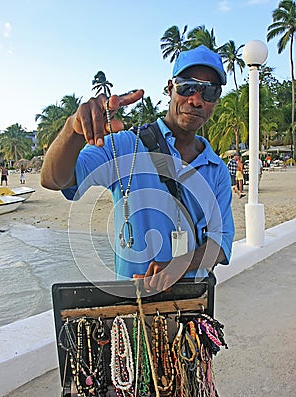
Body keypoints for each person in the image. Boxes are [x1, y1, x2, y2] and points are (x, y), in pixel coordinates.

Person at [41, 45, 234, 292]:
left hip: (192, 301)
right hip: (132, 301)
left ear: (216, 100)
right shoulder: (125, 146)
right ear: (170, 88)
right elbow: (54, 180)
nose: (196, 100)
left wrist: (181, 265)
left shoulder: (216, 168)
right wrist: (73, 131)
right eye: (187, 87)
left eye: (209, 92)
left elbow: (221, 239)